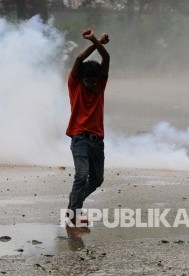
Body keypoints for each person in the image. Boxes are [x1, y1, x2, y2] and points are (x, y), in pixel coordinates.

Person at [66, 28, 110, 226]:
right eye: (88, 82)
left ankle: (75, 200)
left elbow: (106, 58)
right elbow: (78, 59)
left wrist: (99, 43)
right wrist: (94, 41)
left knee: (97, 180)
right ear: (80, 79)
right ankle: (74, 214)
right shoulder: (74, 84)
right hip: (80, 138)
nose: (91, 86)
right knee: (82, 175)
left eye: (94, 82)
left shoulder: (100, 84)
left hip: (97, 141)